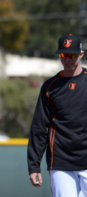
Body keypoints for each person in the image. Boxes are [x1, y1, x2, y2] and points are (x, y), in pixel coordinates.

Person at [27, 34, 87, 197]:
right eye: (63, 55)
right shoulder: (50, 86)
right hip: (60, 162)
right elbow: (39, 127)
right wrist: (34, 166)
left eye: (72, 55)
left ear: (81, 54)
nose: (67, 59)